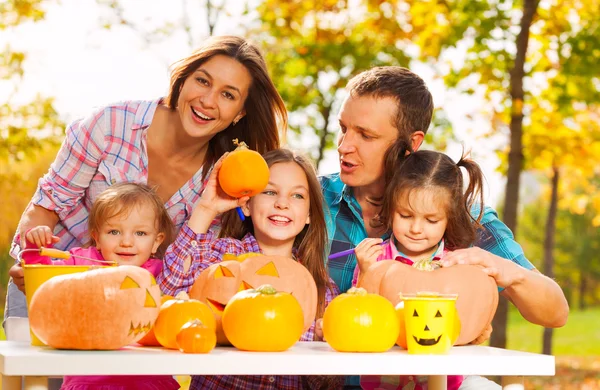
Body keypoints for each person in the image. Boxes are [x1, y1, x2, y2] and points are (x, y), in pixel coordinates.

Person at [319, 66, 569, 389]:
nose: (344, 146)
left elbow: (555, 312)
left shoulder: (461, 217)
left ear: (411, 143)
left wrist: (505, 270)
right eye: (343, 129)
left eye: (365, 135)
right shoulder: (309, 199)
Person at [6, 35, 287, 321]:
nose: (207, 100)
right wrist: (33, 263)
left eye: (228, 95)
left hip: (134, 308)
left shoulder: (224, 180)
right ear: (183, 79)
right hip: (54, 281)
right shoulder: (112, 124)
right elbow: (48, 203)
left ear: (240, 112)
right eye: (202, 81)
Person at [158, 148, 342, 390]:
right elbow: (170, 288)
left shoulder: (322, 289)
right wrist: (206, 208)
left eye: (297, 196)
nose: (282, 203)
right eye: (269, 191)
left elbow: (327, 384)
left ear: (309, 214)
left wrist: (324, 349)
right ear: (247, 205)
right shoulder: (221, 257)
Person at [21, 182, 180, 390]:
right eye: (114, 232)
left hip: (147, 381)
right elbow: (44, 284)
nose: (126, 242)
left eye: (140, 233)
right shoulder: (80, 262)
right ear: (96, 237)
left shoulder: (162, 274)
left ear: (157, 241)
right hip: (89, 381)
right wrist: (36, 249)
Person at [354, 149, 487, 390]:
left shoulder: (457, 265)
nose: (416, 228)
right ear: (391, 209)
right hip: (386, 382)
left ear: (449, 218)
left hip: (443, 383)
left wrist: (477, 330)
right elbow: (358, 321)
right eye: (405, 215)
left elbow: (466, 323)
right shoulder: (375, 260)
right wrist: (365, 273)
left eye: (431, 220)